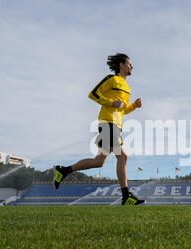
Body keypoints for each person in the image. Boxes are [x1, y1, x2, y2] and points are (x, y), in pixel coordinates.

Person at [54, 53, 145, 205]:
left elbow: (122, 110)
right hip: (108, 122)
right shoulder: (111, 79)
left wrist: (133, 106)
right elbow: (93, 94)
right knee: (123, 157)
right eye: (129, 63)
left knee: (99, 161)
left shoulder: (127, 88)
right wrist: (111, 102)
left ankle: (64, 170)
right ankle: (126, 196)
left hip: (116, 124)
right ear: (121, 65)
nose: (132, 66)